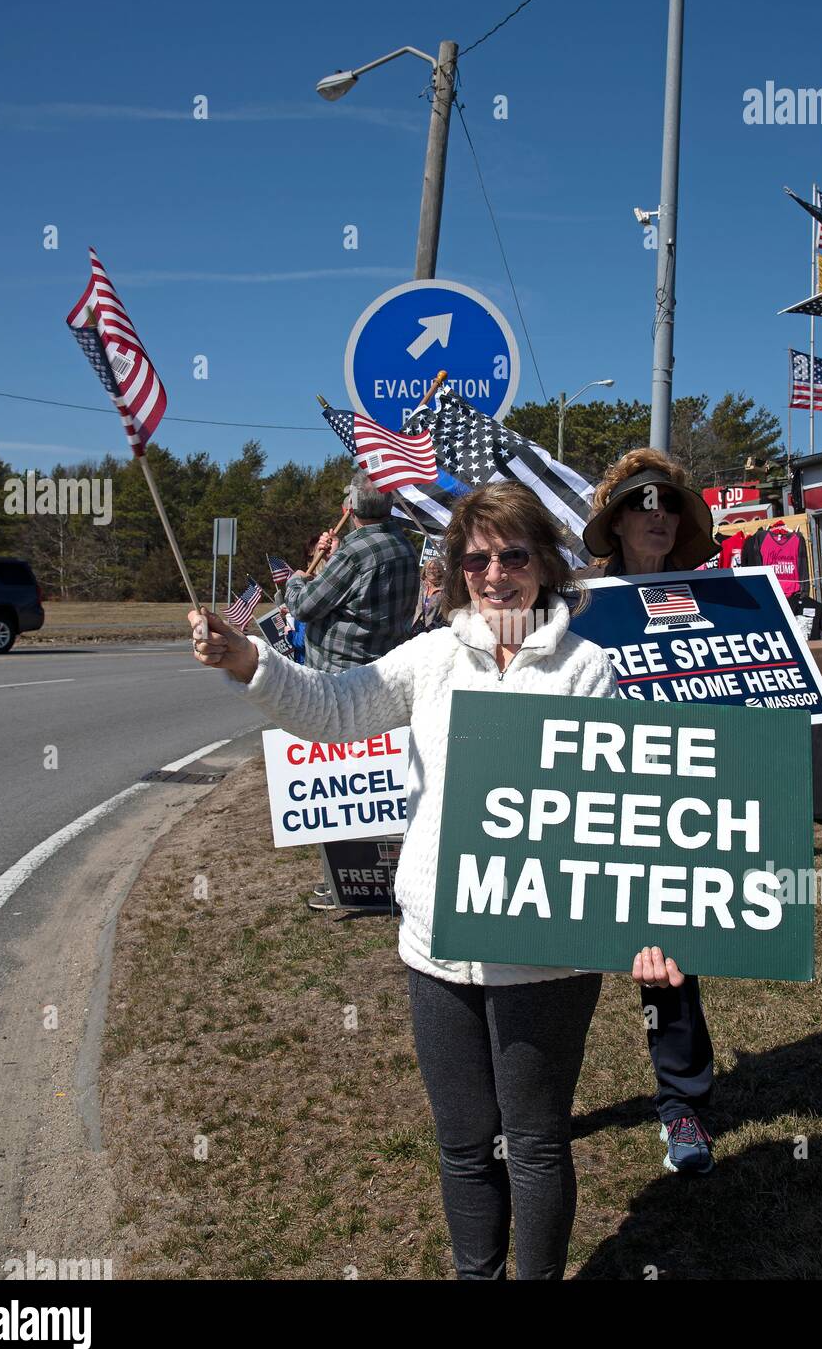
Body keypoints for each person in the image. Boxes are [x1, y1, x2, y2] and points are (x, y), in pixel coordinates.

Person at [188, 481, 683, 1280]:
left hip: (544, 951)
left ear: (546, 565)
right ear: (455, 570)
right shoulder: (429, 657)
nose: (495, 575)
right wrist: (249, 657)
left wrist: (648, 925)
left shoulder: (589, 670)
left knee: (533, 1141)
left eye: (513, 556)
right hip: (435, 946)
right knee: (461, 1145)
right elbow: (332, 707)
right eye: (476, 559)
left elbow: (626, 809)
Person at [581, 448, 722, 1177]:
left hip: (674, 811)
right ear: (615, 521)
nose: (657, 516)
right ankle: (532, 1109)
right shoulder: (573, 608)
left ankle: (682, 1106)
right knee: (558, 957)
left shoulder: (715, 602)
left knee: (666, 964)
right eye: (640, 504)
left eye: (668, 505)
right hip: (586, 802)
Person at [285, 471, 418, 672]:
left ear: (351, 507)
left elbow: (302, 607)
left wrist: (296, 580)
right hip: (386, 670)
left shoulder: (352, 556)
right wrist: (336, 557)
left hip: (341, 679)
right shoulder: (405, 547)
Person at [410, 557, 446, 636]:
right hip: (414, 627)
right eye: (428, 568)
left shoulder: (445, 589)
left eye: (434, 568)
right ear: (425, 571)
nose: (431, 571)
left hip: (433, 631)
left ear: (440, 570)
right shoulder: (420, 585)